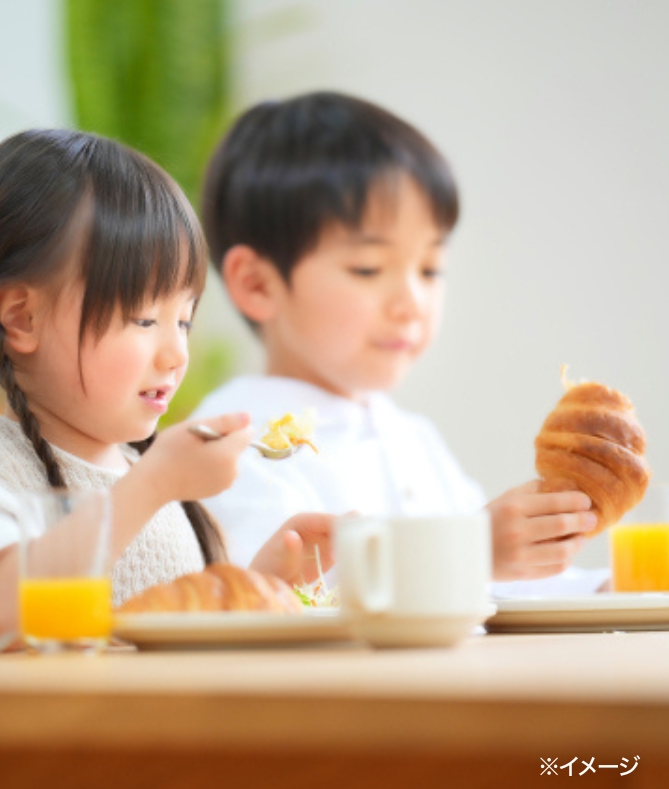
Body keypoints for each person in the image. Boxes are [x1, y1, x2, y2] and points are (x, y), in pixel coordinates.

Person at [0, 129, 333, 654]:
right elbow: (0, 612)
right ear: (22, 316)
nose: (176, 354)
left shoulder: (143, 478)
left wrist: (268, 579)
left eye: (185, 321)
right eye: (144, 317)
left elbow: (177, 641)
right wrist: (153, 486)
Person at [193, 91, 606, 594]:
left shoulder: (412, 438)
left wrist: (602, 587)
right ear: (257, 285)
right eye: (368, 269)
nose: (412, 302)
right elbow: (280, 602)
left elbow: (501, 589)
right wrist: (470, 551)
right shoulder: (232, 447)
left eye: (431, 269)